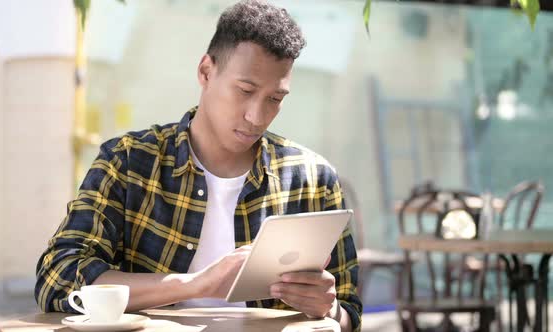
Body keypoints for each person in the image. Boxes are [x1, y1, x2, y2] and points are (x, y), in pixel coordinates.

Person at [34, 1, 362, 331]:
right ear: (206, 71)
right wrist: (195, 284)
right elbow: (58, 277)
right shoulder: (128, 162)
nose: (257, 116)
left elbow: (350, 315)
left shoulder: (313, 178)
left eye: (275, 99)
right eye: (245, 90)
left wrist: (331, 308)